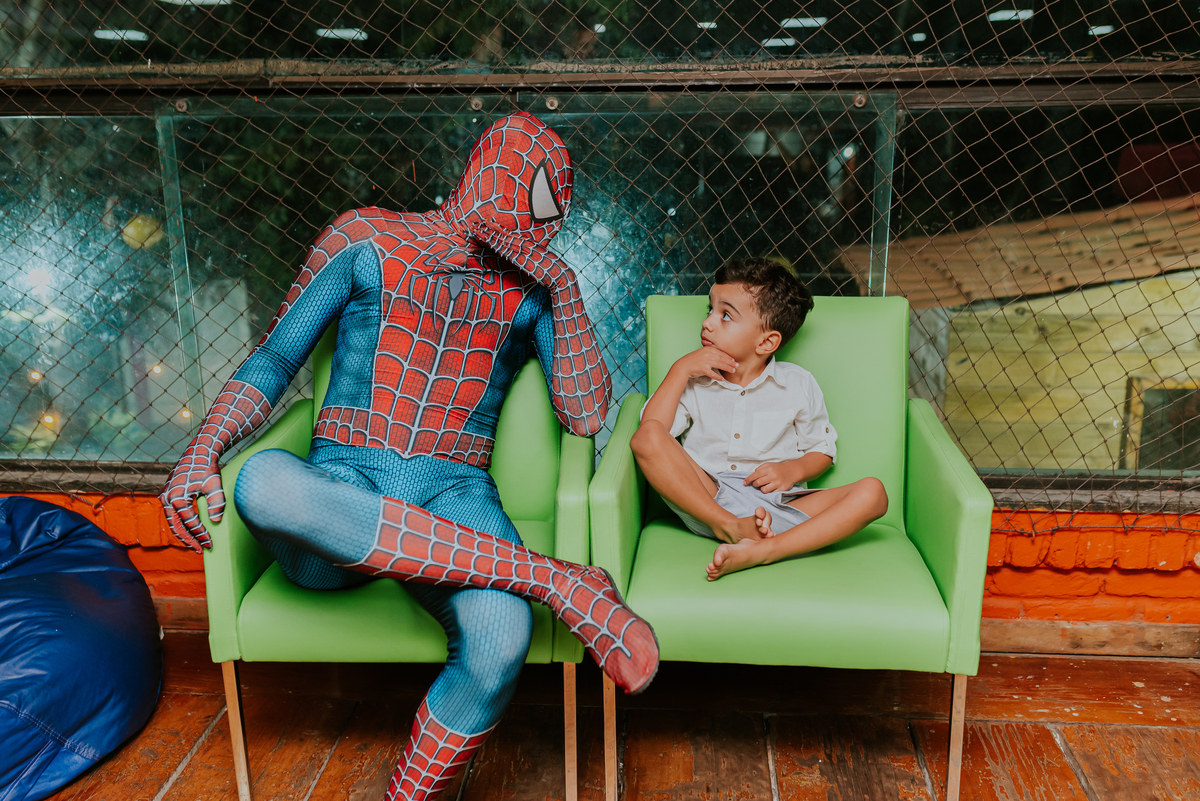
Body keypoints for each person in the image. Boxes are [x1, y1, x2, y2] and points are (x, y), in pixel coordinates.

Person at [159, 112, 658, 801]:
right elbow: (277, 354)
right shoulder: (366, 236)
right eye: (540, 196)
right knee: (265, 483)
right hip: (341, 487)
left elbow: (585, 413)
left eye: (556, 208)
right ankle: (558, 581)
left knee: (502, 637)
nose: (546, 220)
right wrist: (204, 447)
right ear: (486, 170)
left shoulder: (533, 287)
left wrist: (562, 289)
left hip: (454, 493)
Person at [631, 257, 889, 580]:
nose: (708, 323)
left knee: (874, 493)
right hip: (707, 497)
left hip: (778, 505)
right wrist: (680, 370)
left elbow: (822, 450)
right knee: (647, 437)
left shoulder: (798, 384)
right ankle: (729, 527)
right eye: (709, 310)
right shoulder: (694, 382)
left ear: (766, 342)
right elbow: (651, 434)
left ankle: (764, 549)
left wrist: (792, 469)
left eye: (725, 315)